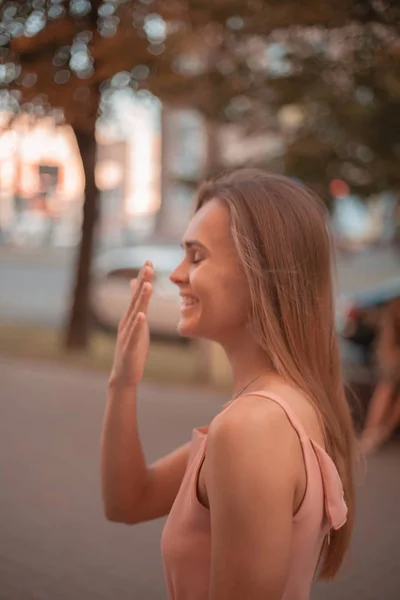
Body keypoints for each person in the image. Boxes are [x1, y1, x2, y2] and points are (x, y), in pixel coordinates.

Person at [101, 169, 356, 600]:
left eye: (196, 257)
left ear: (261, 275)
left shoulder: (252, 427)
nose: (176, 274)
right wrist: (123, 382)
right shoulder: (274, 408)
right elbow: (129, 501)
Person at [360, 297, 400, 454]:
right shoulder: (386, 316)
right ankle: (375, 432)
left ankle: (378, 432)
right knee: (387, 386)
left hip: (389, 363)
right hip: (389, 364)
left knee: (387, 387)